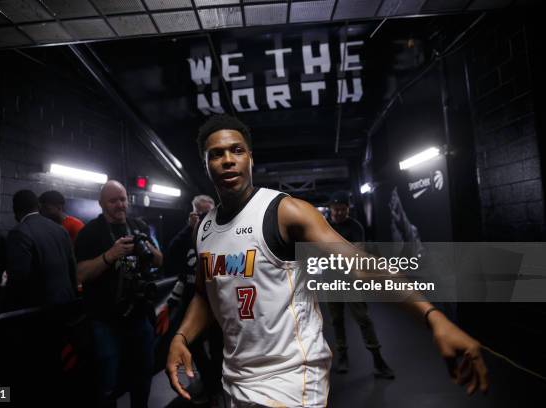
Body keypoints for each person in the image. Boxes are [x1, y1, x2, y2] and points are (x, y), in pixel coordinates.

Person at [166, 114, 488, 407]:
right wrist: (181, 337)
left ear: (251, 157)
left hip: (291, 381)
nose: (227, 160)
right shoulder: (205, 228)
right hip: (236, 380)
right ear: (205, 165)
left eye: (236, 150)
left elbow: (360, 264)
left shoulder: (283, 211)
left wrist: (432, 316)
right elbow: (204, 294)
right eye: (216, 154)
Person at [74, 180, 163, 408]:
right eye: (113, 200)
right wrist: (109, 255)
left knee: (142, 376)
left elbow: (159, 260)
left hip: (139, 316)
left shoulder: (138, 226)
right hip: (106, 320)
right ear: (102, 203)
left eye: (123, 199)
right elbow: (81, 274)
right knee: (108, 381)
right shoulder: (89, 233)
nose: (120, 205)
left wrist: (146, 246)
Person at [327, 192, 394, 378]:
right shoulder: (324, 226)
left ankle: (378, 361)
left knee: (363, 319)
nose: (339, 213)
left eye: (342, 209)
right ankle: (342, 357)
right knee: (336, 320)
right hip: (330, 280)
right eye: (336, 209)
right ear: (331, 210)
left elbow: (357, 253)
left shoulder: (354, 226)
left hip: (351, 279)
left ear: (347, 209)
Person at [166, 194, 223, 403]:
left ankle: (216, 385)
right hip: (192, 302)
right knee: (194, 346)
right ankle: (209, 383)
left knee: (218, 349)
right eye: (201, 214)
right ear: (193, 214)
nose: (204, 218)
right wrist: (189, 228)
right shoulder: (186, 235)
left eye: (208, 213)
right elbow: (170, 255)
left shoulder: (219, 233)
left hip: (216, 303)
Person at [1, 190, 78, 312]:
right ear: (38, 206)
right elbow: (72, 268)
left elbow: (18, 279)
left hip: (38, 311)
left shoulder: (19, 233)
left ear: (15, 211)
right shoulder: (60, 229)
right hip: (66, 304)